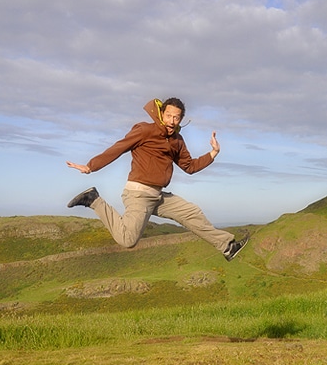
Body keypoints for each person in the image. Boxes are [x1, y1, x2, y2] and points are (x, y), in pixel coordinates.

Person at [66, 97, 248, 261]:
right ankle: (94, 200)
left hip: (158, 196)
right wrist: (91, 166)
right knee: (127, 240)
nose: (172, 121)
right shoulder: (144, 130)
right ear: (162, 114)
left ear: (181, 120)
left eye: (176, 117)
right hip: (139, 194)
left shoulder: (177, 140)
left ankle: (227, 247)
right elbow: (118, 148)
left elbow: (190, 167)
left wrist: (214, 153)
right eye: (168, 115)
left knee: (192, 213)